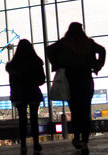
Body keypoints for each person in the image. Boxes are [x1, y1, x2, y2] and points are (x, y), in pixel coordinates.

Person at [47, 22, 106, 154]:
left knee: (75, 110)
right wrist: (97, 66)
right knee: (85, 111)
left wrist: (56, 64)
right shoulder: (88, 43)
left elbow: (49, 49)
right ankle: (85, 142)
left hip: (70, 79)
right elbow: (102, 50)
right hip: (86, 79)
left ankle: (77, 138)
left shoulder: (64, 43)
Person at [6, 39, 45, 154]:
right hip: (33, 92)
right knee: (34, 119)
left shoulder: (13, 65)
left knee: (22, 120)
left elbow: (12, 82)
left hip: (19, 94)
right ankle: (36, 143)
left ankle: (23, 144)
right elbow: (41, 79)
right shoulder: (36, 62)